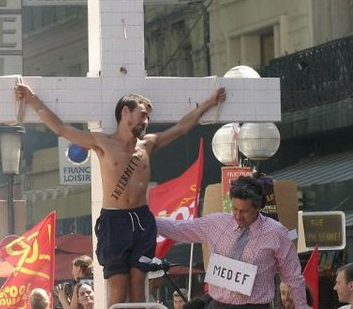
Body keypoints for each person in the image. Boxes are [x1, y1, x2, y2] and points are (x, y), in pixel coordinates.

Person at [16, 84, 226, 306]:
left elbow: (182, 128)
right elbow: (60, 128)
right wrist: (33, 100)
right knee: (118, 287)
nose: (146, 122)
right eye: (142, 115)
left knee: (138, 283)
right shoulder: (102, 141)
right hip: (114, 220)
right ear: (125, 111)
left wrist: (209, 103)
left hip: (142, 220)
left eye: (148, 118)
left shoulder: (148, 143)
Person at [156, 175, 310, 308]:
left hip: (254, 306)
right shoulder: (217, 223)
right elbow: (178, 228)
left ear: (258, 207)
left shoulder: (276, 232)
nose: (238, 215)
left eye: (244, 211)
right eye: (235, 209)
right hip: (217, 303)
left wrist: (302, 306)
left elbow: (292, 275)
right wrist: (148, 221)